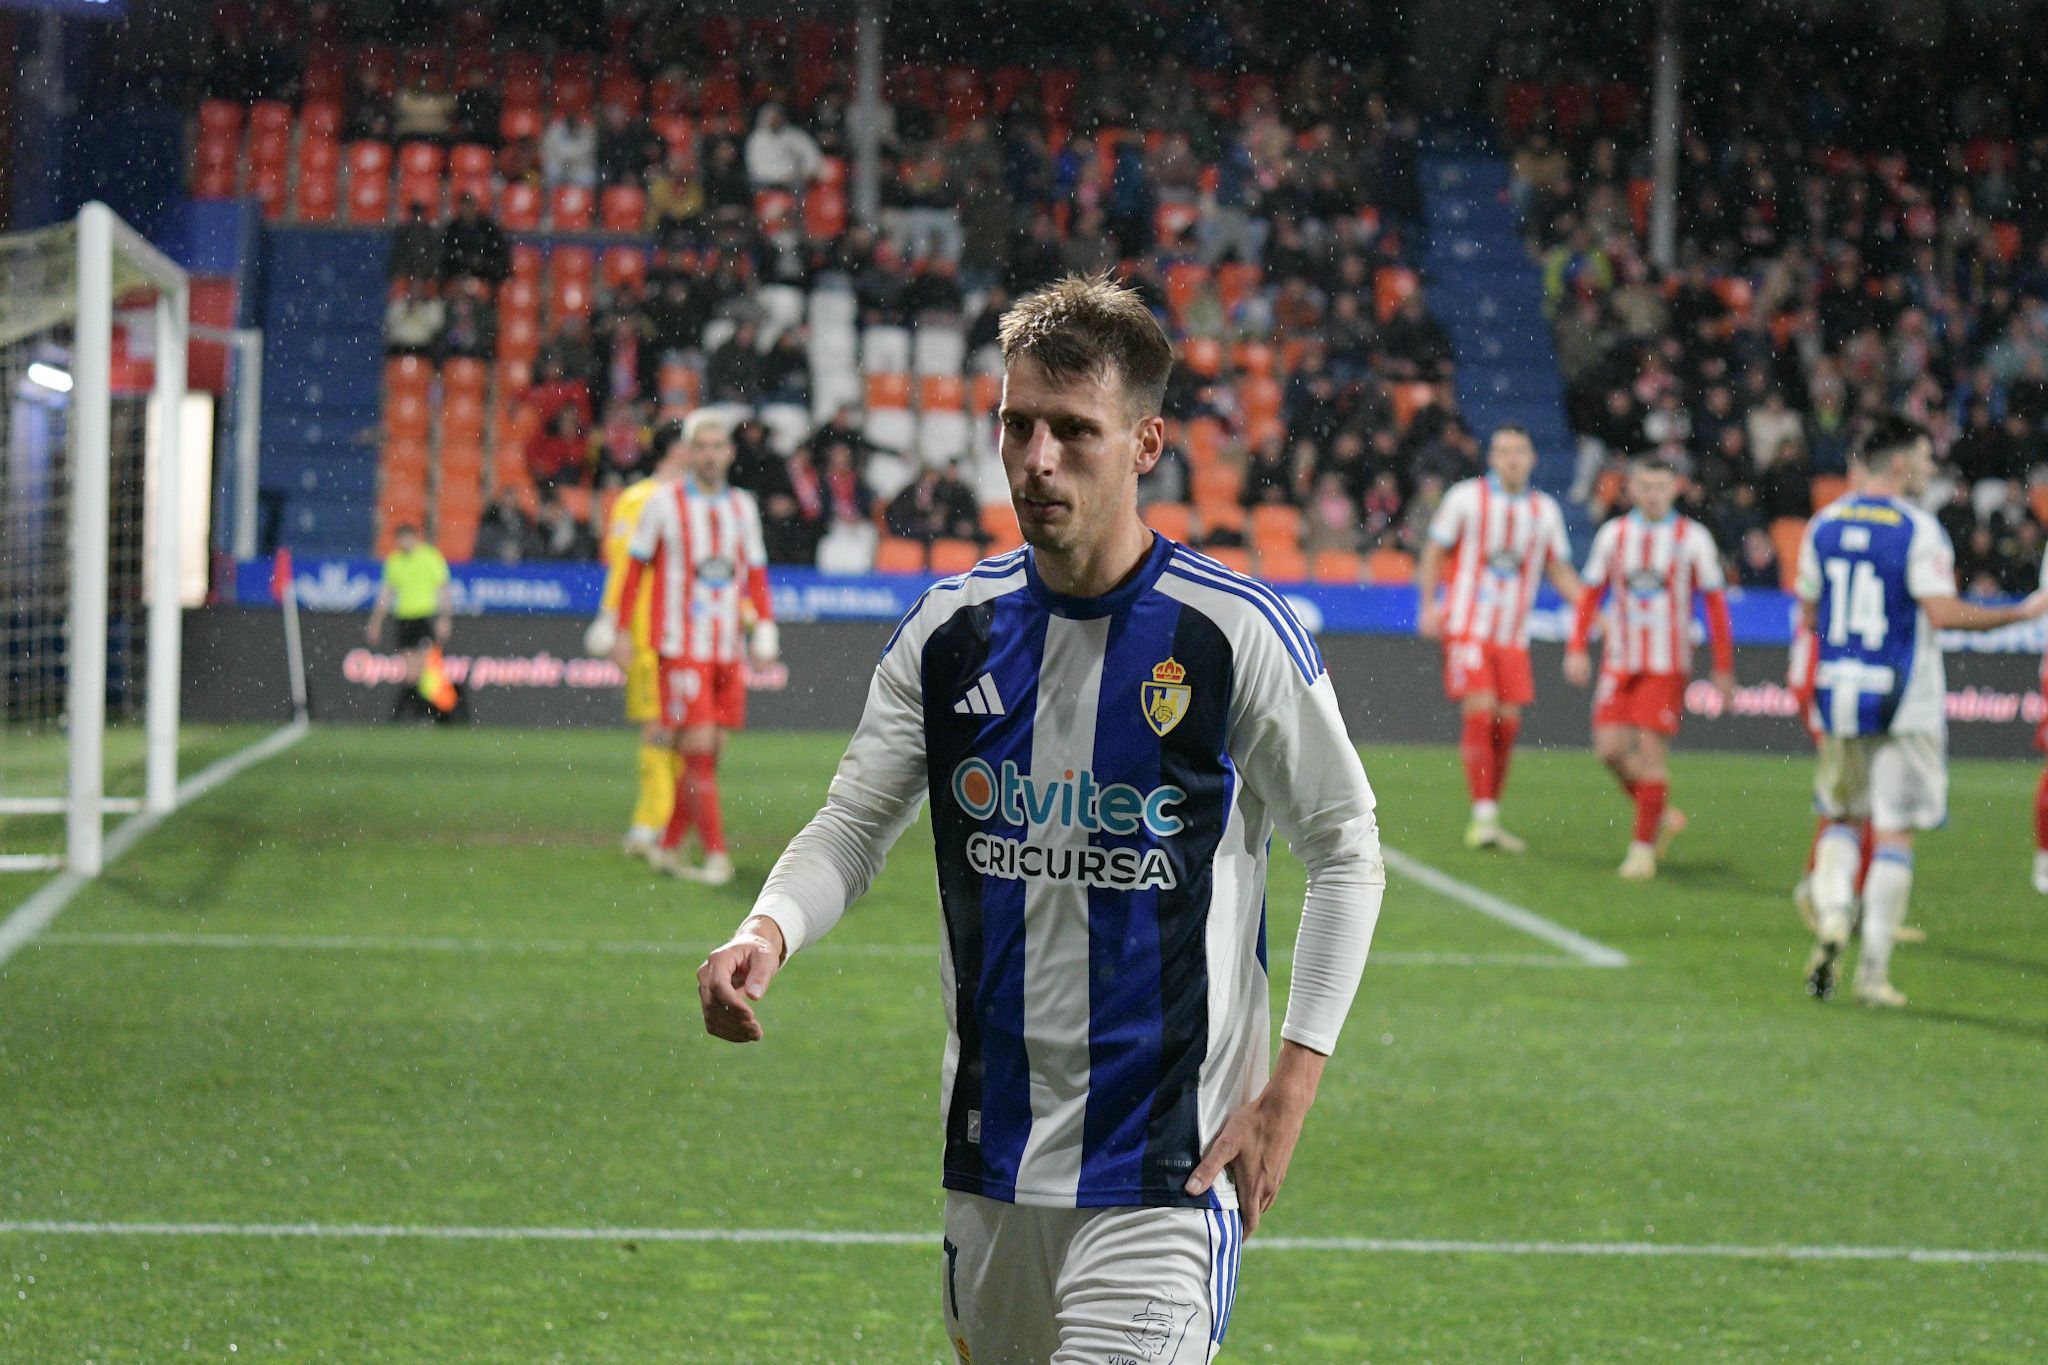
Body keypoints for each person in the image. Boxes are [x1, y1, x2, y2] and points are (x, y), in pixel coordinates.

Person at [692, 275, 1384, 1359]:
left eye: (1073, 430)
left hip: (1165, 1169)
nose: (1037, 459)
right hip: (993, 1156)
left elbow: (1345, 847)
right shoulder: (949, 632)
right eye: (1018, 426)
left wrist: (1291, 1085)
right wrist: (766, 928)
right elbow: (854, 822)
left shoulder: (1227, 634)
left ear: (1145, 443)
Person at [1795, 417, 2048, 1005]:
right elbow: (1942, 613)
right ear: (1900, 465)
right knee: (1894, 831)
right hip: (1904, 700)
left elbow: (1808, 614)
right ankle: (1872, 974)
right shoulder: (1918, 529)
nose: (1932, 470)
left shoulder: (1824, 524)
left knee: (1841, 816)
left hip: (1840, 692)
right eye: (1926, 460)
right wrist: (2020, 612)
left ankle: (1832, 913)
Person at [610, 411, 779, 885]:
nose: (709, 455)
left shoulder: (742, 507)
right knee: (700, 750)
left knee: (709, 755)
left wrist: (765, 628)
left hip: (727, 648)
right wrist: (619, 630)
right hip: (681, 646)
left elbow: (756, 574)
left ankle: (667, 846)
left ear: (729, 452)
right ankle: (717, 856)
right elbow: (635, 569)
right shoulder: (663, 504)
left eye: (717, 446)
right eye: (700, 446)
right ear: (688, 452)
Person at [1565, 455, 1736, 879]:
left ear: (1675, 488)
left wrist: (1723, 666)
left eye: (1661, 486)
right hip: (1619, 661)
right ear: (1632, 489)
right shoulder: (1614, 535)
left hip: (1666, 663)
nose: (1653, 494)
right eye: (1645, 486)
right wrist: (1577, 647)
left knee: (1650, 752)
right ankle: (1657, 814)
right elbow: (1591, 594)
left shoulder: (1692, 537)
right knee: (1609, 751)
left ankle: (1642, 851)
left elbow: (1715, 605)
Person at [1416, 426, 1582, 852]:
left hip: (1513, 635)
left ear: (1532, 459)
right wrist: (1428, 605)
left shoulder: (1544, 510)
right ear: (1491, 458)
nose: (1512, 458)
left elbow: (1559, 570)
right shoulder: (1465, 498)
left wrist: (1590, 608)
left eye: (1519, 451)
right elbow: (1434, 551)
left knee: (1506, 724)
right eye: (1504, 451)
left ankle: (1489, 813)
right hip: (1466, 625)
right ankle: (1483, 818)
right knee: (1481, 711)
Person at [587, 422, 689, 860]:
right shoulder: (638, 499)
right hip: (649, 631)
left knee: (686, 730)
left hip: (691, 635)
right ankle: (653, 821)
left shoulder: (702, 503)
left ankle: (671, 822)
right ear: (675, 449)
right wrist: (616, 625)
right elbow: (623, 568)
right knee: (657, 724)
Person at [365, 524, 453, 723]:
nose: (404, 543)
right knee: (411, 672)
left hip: (424, 618)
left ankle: (415, 714)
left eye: (407, 538)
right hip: (404, 620)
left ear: (415, 537)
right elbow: (386, 595)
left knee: (424, 668)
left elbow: (444, 589)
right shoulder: (394, 561)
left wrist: (444, 618)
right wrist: (376, 622)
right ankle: (417, 714)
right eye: (400, 539)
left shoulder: (430, 557)